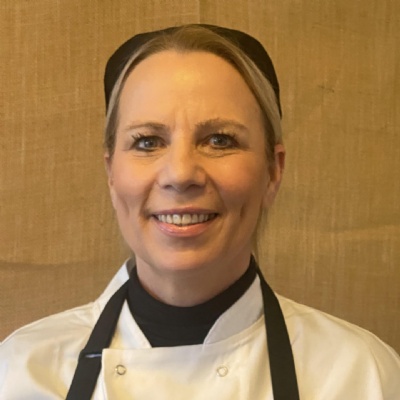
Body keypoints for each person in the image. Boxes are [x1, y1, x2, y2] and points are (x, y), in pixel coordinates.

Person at [0, 24, 399, 399]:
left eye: (219, 140)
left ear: (273, 170)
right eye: (147, 141)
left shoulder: (363, 376)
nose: (180, 174)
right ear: (111, 173)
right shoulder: (19, 372)